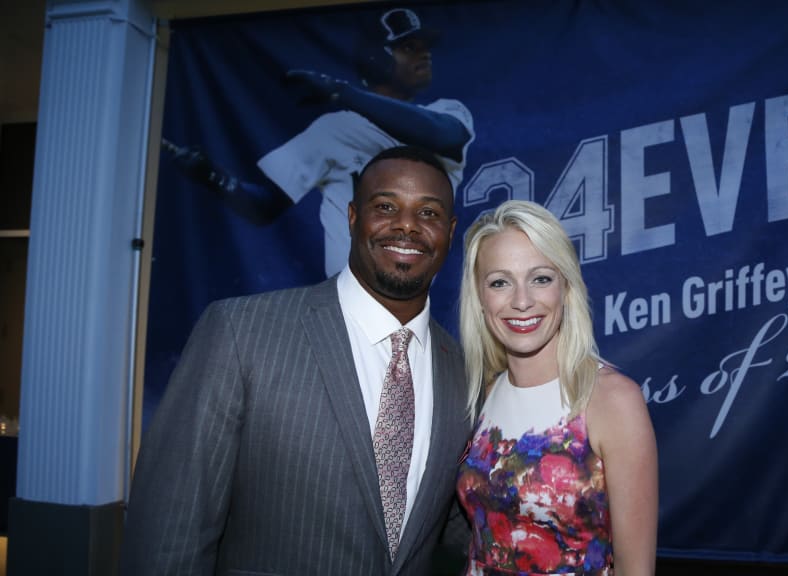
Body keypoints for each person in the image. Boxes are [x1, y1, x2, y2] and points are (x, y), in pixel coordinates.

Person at [124, 145, 472, 575]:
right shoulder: (241, 332)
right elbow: (169, 532)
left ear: (450, 232)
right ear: (352, 217)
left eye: (428, 213)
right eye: (385, 206)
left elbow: (459, 525)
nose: (406, 224)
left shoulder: (463, 373)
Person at [164, 6, 474, 278]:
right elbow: (264, 206)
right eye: (408, 47)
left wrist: (341, 92)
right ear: (376, 58)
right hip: (342, 296)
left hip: (414, 292)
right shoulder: (334, 129)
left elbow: (443, 135)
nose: (424, 54)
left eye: (425, 47)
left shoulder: (446, 112)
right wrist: (212, 176)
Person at [455, 201, 658, 575]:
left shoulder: (612, 401)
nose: (521, 301)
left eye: (541, 278)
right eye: (500, 282)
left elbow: (637, 570)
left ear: (566, 287)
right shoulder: (483, 393)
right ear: (480, 298)